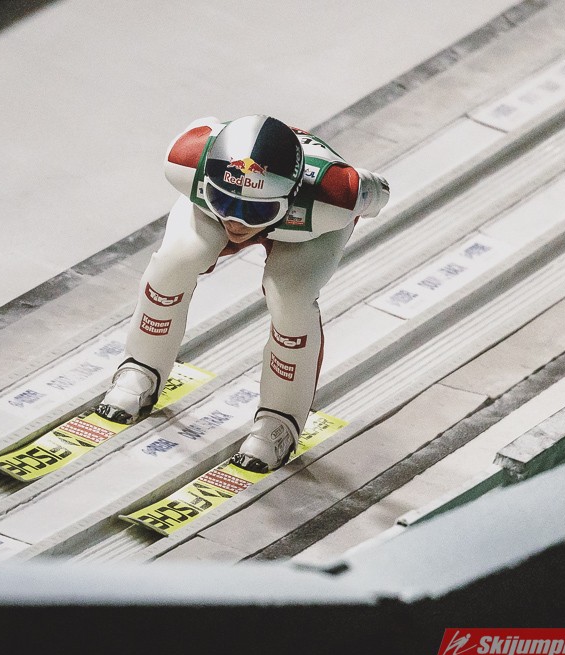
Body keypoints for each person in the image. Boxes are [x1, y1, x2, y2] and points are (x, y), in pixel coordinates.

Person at [96, 114, 389, 473]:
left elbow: (377, 191)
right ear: (205, 180)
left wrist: (366, 191)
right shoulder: (185, 159)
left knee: (290, 296)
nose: (236, 223)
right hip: (290, 216)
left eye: (256, 209)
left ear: (292, 195)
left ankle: (279, 419)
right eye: (224, 201)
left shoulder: (335, 196)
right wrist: (254, 209)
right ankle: (141, 366)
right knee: (176, 260)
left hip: (307, 224)